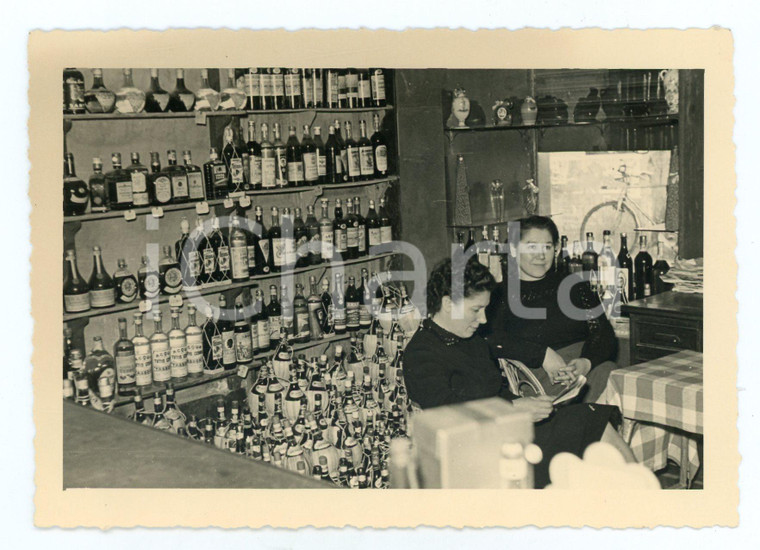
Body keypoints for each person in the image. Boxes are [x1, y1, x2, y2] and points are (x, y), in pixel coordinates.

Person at [403, 257, 634, 489]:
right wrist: (514, 409)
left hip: (507, 432)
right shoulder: (422, 352)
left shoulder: (470, 339)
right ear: (448, 303)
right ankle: (645, 499)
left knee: (590, 420)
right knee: (589, 422)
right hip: (479, 453)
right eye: (476, 309)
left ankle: (638, 495)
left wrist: (527, 403)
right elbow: (443, 415)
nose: (483, 319)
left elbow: (494, 390)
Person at [482, 215, 618, 403]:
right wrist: (542, 355)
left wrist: (586, 363)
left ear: (555, 249)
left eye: (547, 246)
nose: (541, 255)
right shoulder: (497, 294)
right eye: (531, 246)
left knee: (613, 374)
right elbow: (489, 339)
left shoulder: (574, 286)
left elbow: (604, 333)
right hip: (535, 381)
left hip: (582, 373)